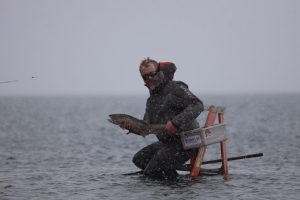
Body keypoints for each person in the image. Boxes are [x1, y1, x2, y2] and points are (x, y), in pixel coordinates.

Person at [121, 58, 204, 179]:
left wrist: (175, 123)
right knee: (139, 159)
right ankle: (172, 179)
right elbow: (145, 128)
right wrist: (131, 127)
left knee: (152, 171)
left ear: (159, 71)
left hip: (188, 141)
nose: (149, 79)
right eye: (145, 77)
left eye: (151, 74)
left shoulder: (176, 87)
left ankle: (172, 188)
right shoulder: (151, 101)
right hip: (168, 143)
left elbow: (198, 105)